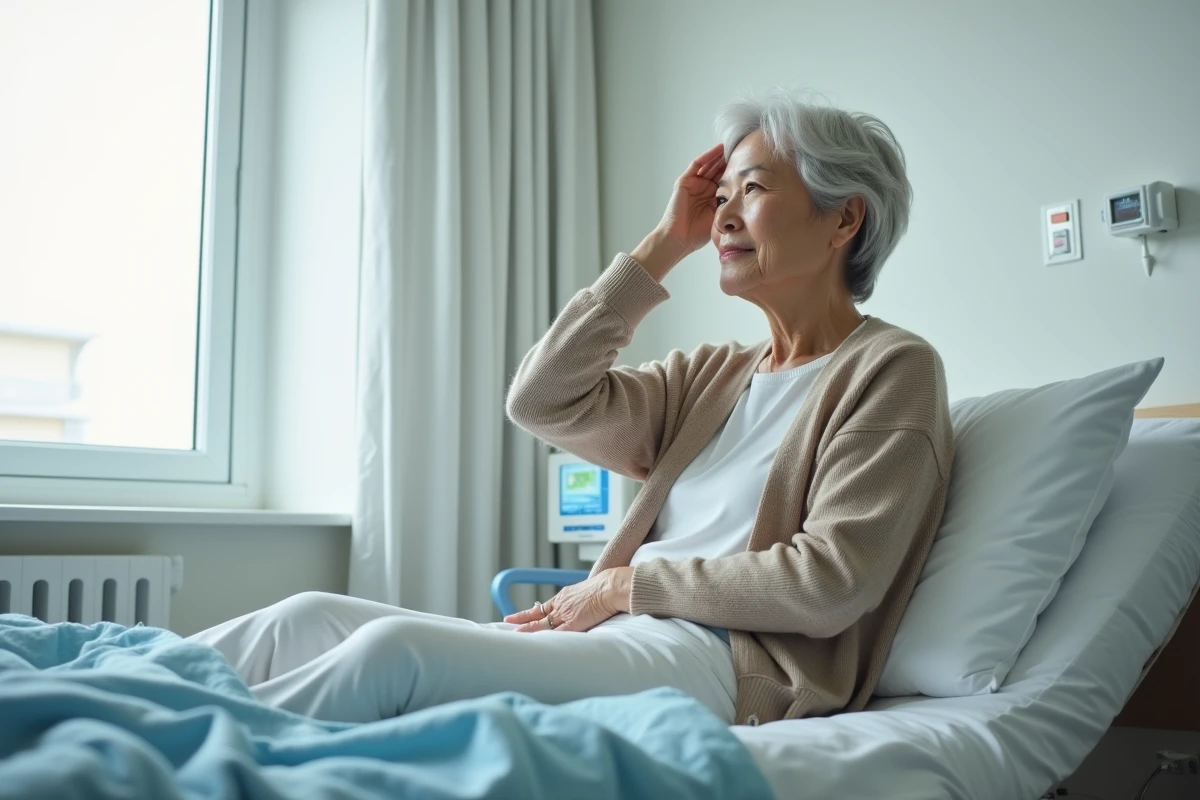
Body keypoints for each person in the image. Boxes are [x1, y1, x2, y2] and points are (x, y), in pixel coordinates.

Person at [190, 90, 953, 728]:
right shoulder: (714, 375)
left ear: (844, 219)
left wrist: (623, 587)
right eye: (720, 197)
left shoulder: (892, 369)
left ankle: (158, 760)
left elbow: (827, 582)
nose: (722, 217)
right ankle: (98, 703)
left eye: (750, 190)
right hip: (614, 631)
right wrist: (660, 245)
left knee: (391, 656)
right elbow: (542, 398)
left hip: (721, 660)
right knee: (304, 617)